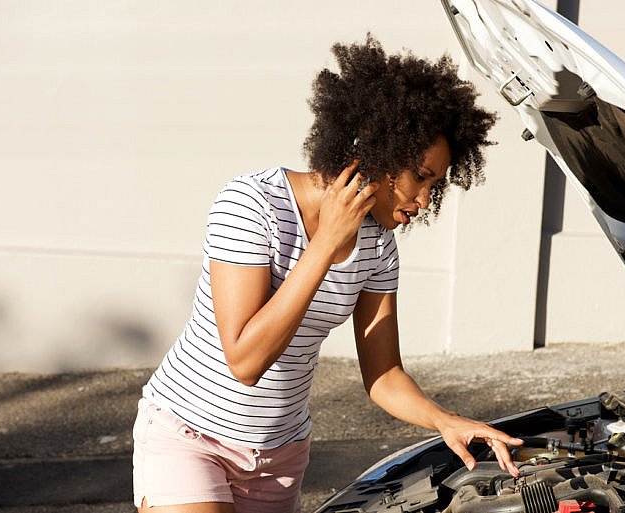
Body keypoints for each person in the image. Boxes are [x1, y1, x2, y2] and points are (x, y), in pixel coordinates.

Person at [132, 35, 523, 513]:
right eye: (420, 176)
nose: (424, 202)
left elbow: (384, 374)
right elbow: (246, 360)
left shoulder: (378, 244)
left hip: (279, 457)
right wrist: (324, 246)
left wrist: (445, 420)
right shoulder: (251, 205)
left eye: (435, 184)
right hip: (189, 436)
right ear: (380, 150)